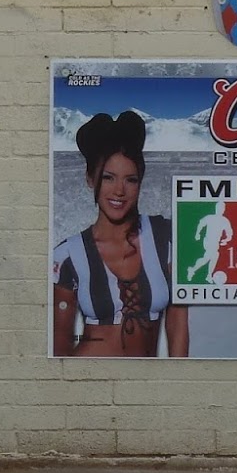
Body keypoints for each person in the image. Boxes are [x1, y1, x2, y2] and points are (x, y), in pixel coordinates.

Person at [51, 111, 189, 358]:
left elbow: (178, 325)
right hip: (89, 375)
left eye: (130, 180)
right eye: (108, 178)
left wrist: (176, 378)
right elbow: (60, 348)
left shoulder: (166, 238)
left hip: (147, 377)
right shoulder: (67, 256)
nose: (119, 191)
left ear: (140, 182)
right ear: (90, 179)